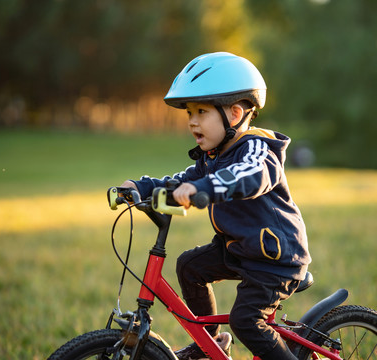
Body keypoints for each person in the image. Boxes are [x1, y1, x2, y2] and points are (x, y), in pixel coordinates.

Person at [121, 52, 311, 360]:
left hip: (275, 259)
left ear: (234, 114)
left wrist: (202, 188)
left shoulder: (258, 150)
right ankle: (210, 345)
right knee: (189, 266)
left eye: (201, 112)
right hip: (239, 250)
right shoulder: (212, 157)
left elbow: (245, 176)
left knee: (245, 321)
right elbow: (178, 180)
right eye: (189, 113)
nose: (192, 121)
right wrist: (141, 187)